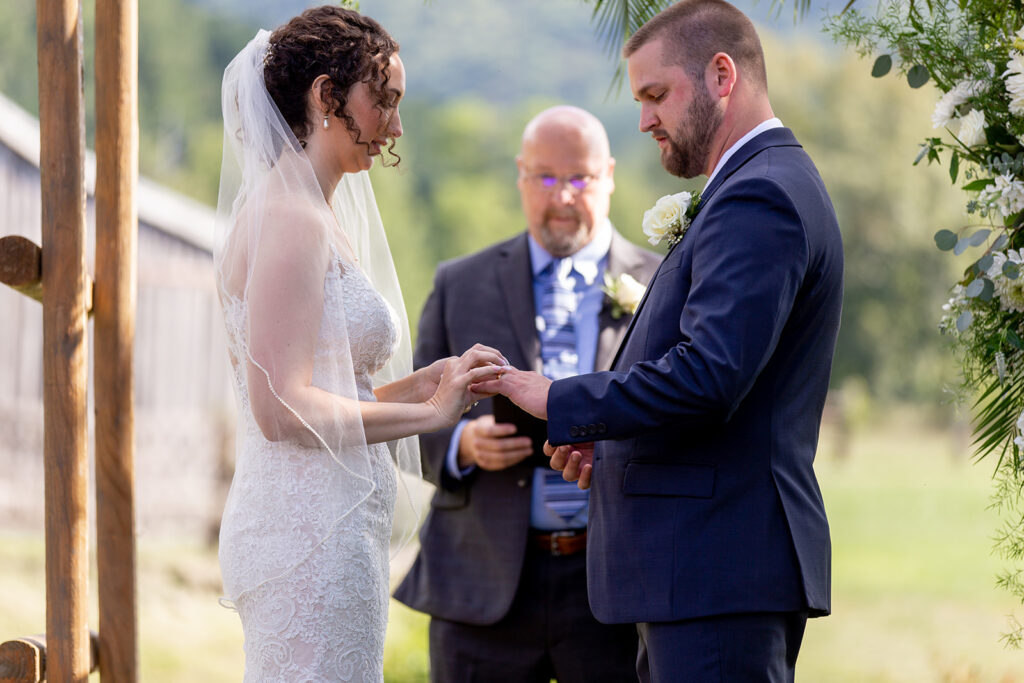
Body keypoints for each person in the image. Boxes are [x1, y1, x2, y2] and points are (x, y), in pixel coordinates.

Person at [481, 1, 843, 680]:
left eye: (656, 95)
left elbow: (709, 374)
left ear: (722, 75)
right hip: (701, 575)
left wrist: (561, 397)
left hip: (715, 573)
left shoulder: (758, 196)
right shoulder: (750, 185)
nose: (644, 117)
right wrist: (613, 439)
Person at [213, 7, 504, 681]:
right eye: (386, 102)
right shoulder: (291, 217)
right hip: (306, 534)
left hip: (329, 524)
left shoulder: (309, 210)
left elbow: (330, 387)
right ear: (325, 96)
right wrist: (432, 416)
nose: (396, 127)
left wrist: (430, 380)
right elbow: (281, 406)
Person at [394, 105, 659, 682]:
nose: (562, 197)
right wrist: (463, 445)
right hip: (482, 582)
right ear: (520, 175)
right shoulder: (459, 284)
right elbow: (407, 421)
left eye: (579, 179)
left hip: (615, 584)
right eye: (544, 178)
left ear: (609, 175)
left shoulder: (662, 281)